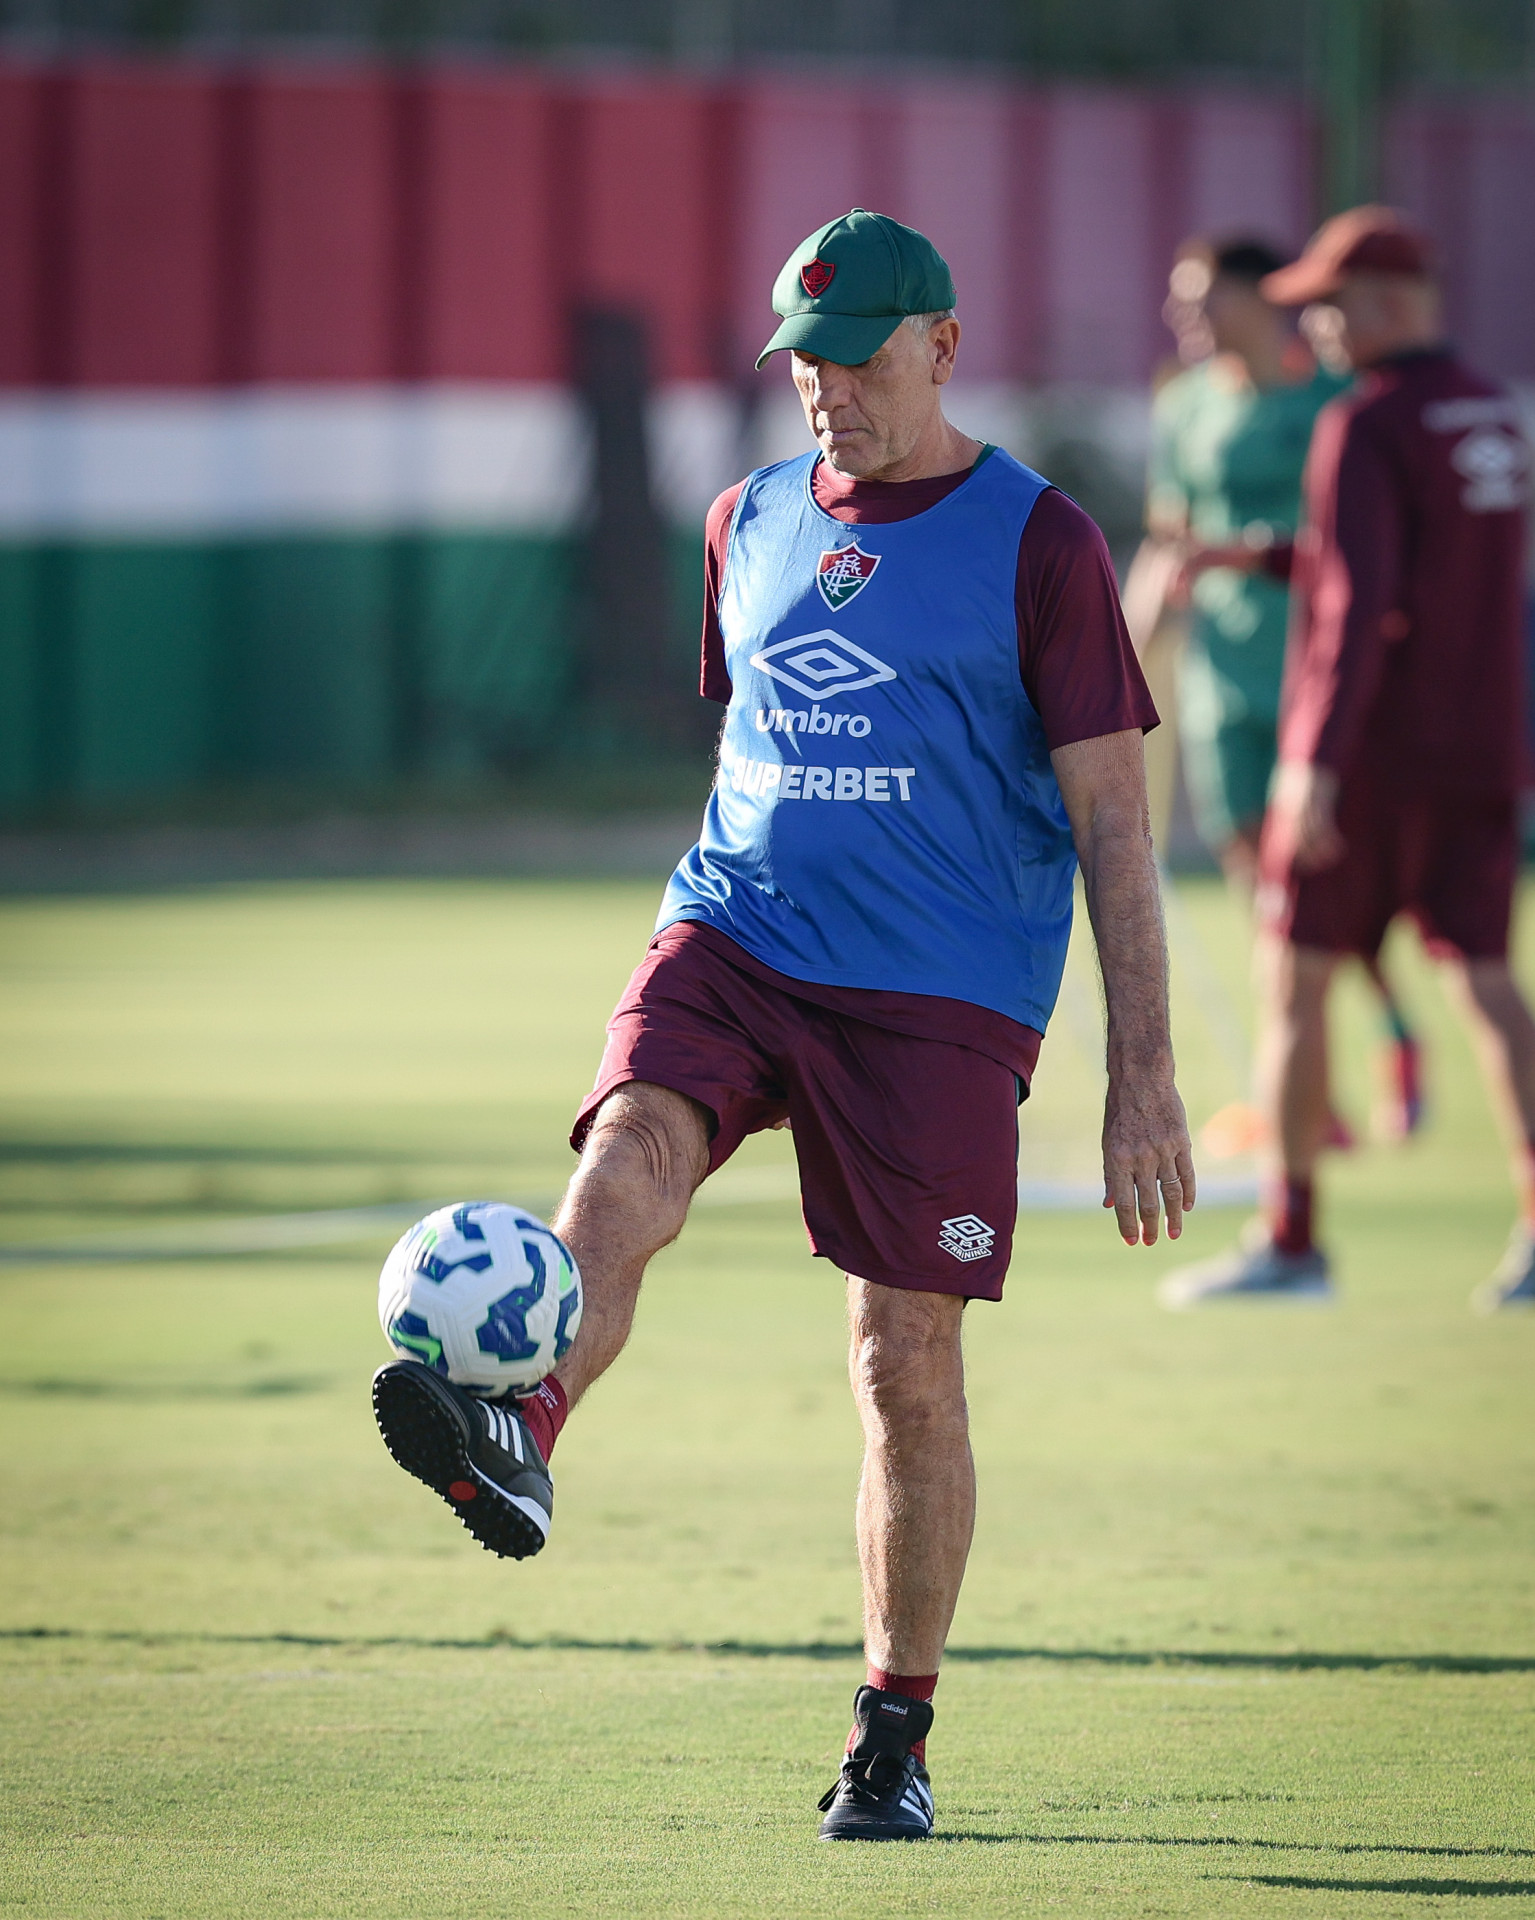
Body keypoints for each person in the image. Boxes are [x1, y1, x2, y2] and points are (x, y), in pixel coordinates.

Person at [373, 208, 1196, 1839]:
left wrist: (1143, 1078)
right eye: (802, 362)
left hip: (941, 1001)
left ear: (944, 347)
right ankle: (520, 1425)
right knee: (625, 1160)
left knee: (903, 1360)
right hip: (735, 932)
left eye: (856, 357)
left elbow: (1114, 822)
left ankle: (893, 1728)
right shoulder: (743, 519)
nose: (824, 391)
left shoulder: (1042, 545)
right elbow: (763, 738)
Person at [1159, 206, 1534, 1313]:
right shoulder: (1492, 413)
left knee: (1292, 984)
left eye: (1325, 305)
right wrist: (1257, 552)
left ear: (1382, 304)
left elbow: (1356, 606)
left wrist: (1309, 762)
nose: (1313, 326)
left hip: (1368, 763)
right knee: (1484, 984)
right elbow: (1397, 568)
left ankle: (1291, 1242)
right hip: (1479, 752)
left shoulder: (1362, 422)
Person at [1143, 235, 1421, 1148]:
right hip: (1218, 677)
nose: (1183, 314)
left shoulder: (1333, 405)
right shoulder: (1181, 406)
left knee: (1314, 891)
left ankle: (1385, 1034)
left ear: (1262, 300)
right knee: (1253, 883)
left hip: (1309, 675)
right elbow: (1171, 537)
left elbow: (1358, 552)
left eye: (1201, 295)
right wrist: (1122, 644)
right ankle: (1309, 1101)